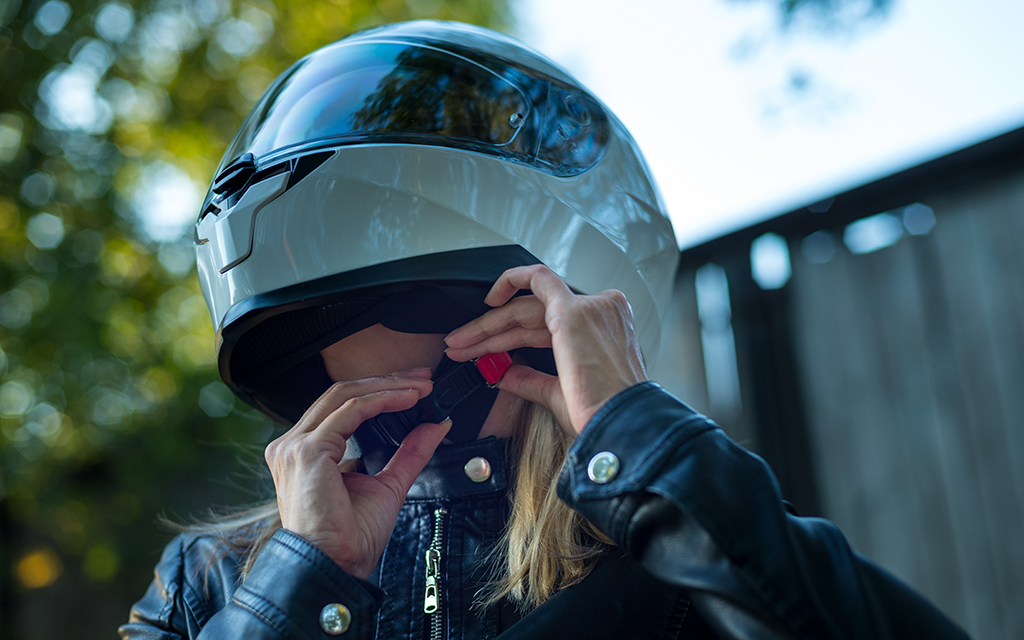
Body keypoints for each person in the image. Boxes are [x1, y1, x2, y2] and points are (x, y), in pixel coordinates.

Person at [121, 21, 969, 640]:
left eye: (417, 379)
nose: (374, 430)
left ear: (536, 337)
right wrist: (298, 590)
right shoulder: (215, 586)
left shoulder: (685, 562)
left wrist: (640, 435)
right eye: (341, 391)